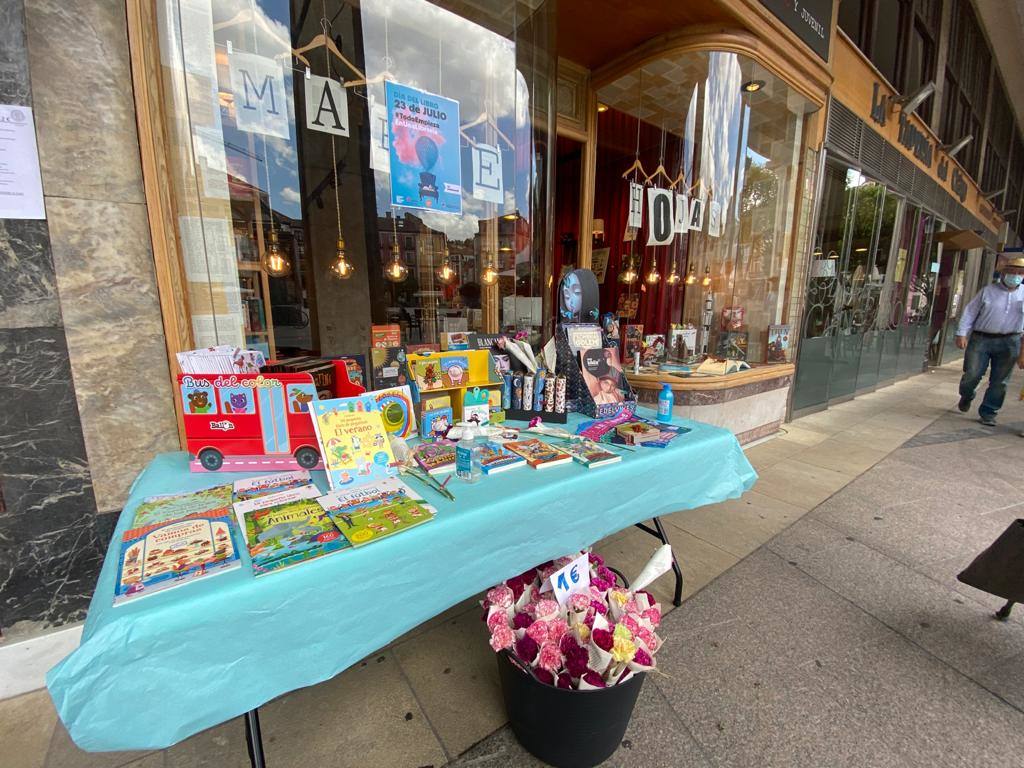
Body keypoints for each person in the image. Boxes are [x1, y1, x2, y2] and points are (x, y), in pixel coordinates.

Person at [955, 255, 1024, 426]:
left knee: (1000, 381)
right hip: (982, 339)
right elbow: (970, 311)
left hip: (1010, 340)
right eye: (1012, 271)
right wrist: (961, 333)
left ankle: (988, 412)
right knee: (972, 374)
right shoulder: (988, 291)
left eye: (1019, 273)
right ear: (1004, 273)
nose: (1015, 275)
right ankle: (967, 394)